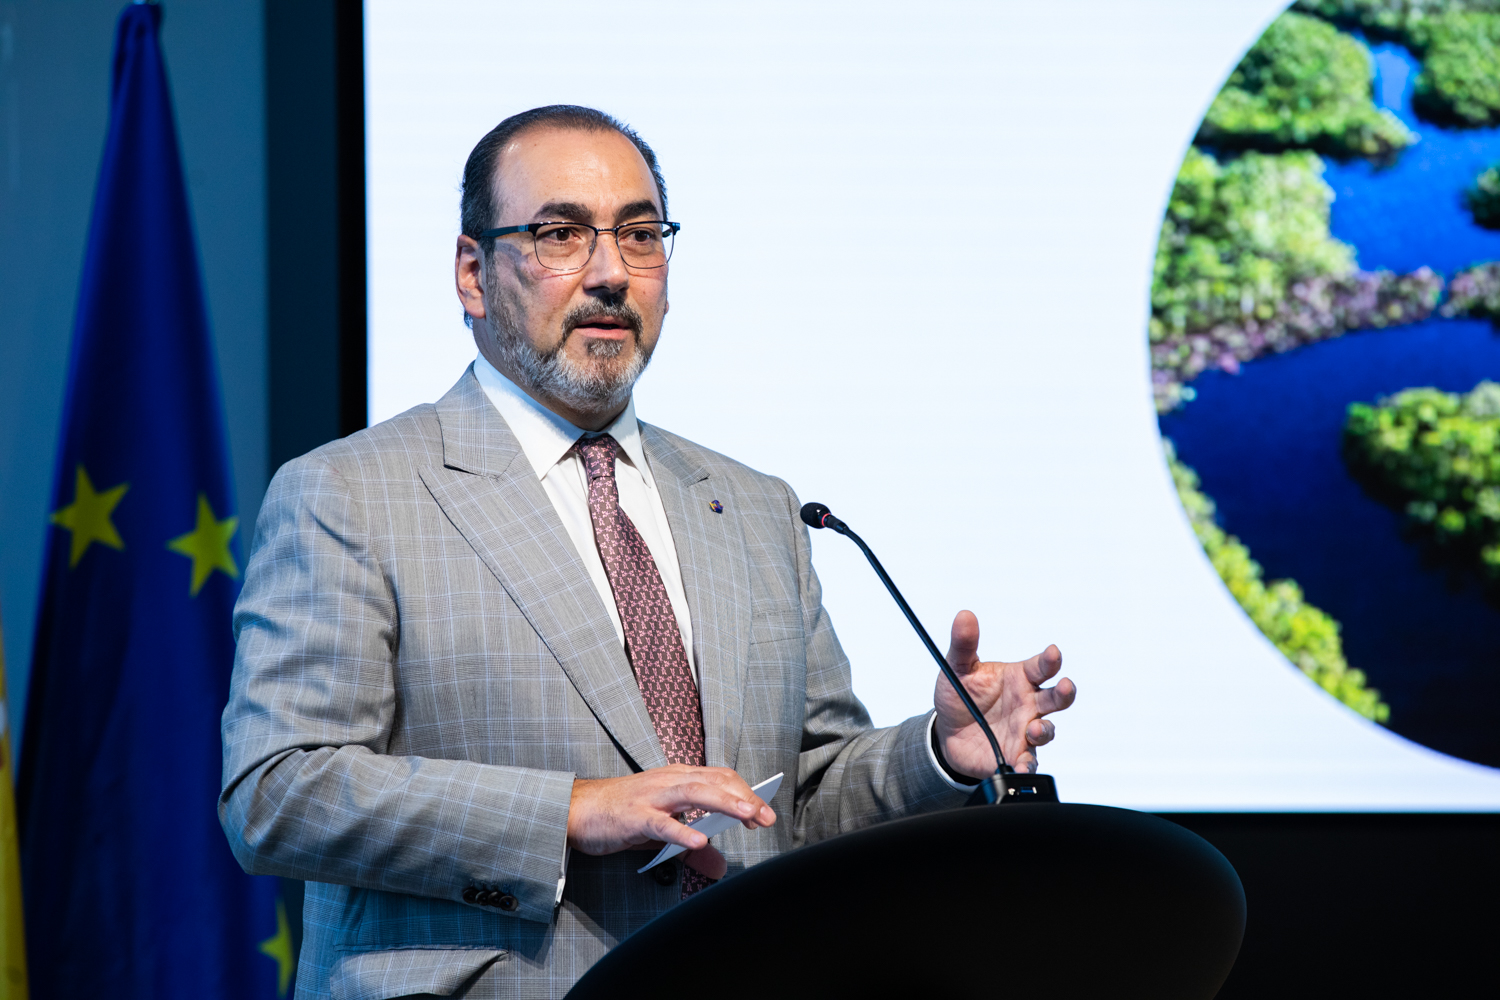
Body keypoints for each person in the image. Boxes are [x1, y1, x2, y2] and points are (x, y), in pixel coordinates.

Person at [220, 105, 1076, 999]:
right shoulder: (352, 494)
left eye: (638, 235)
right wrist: (570, 811)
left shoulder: (755, 507)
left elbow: (799, 800)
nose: (609, 274)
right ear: (473, 274)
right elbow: (276, 793)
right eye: (559, 234)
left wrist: (939, 752)